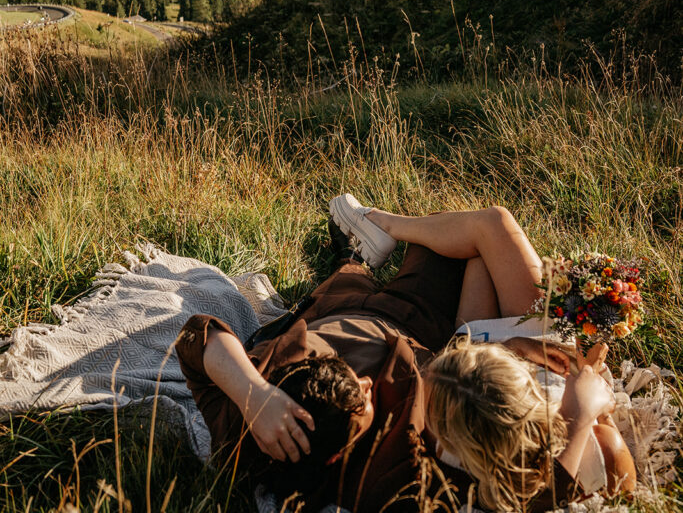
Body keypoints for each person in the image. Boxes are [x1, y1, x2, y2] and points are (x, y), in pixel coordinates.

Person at [175, 198, 630, 511]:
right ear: (339, 456)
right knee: (466, 248)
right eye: (366, 399)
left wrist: (253, 392)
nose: (368, 383)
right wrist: (576, 414)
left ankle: (362, 247)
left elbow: (197, 335)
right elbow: (528, 499)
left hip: (356, 314)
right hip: (424, 329)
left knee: (429, 248)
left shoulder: (258, 412)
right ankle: (368, 240)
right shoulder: (389, 477)